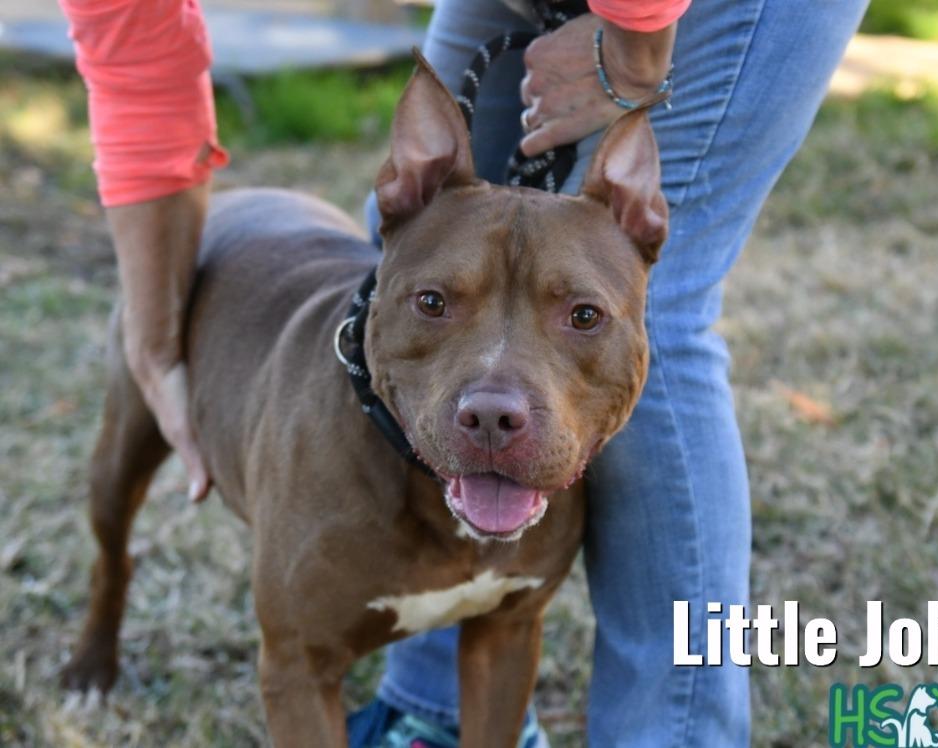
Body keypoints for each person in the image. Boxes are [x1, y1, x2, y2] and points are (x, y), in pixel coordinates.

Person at [59, 0, 869, 745]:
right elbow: (135, 56)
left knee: (675, 300)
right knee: (444, 224)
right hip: (255, 300)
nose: (497, 400)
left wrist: (633, 45)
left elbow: (509, 630)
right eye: (436, 304)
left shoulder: (553, 477)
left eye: (582, 318)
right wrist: (155, 338)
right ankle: (113, 605)